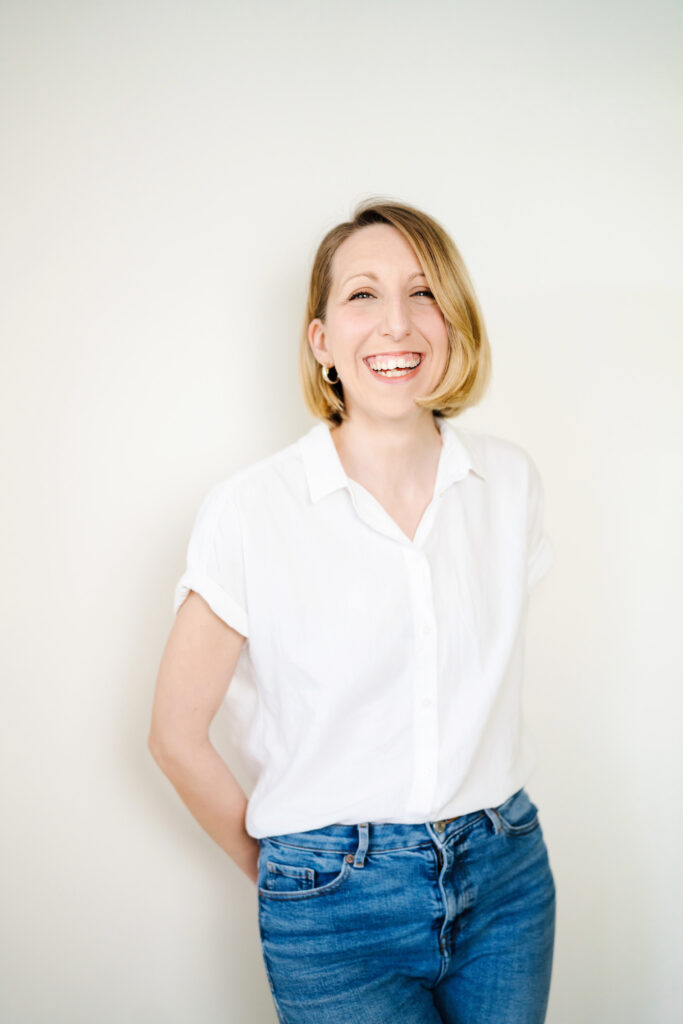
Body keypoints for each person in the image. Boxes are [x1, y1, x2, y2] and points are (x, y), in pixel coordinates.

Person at [148, 198, 557, 1023]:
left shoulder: (508, 485)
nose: (396, 325)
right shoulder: (252, 510)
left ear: (454, 320)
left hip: (505, 874)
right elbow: (173, 736)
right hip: (334, 900)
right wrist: (297, 875)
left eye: (423, 293)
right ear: (321, 340)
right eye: (362, 296)